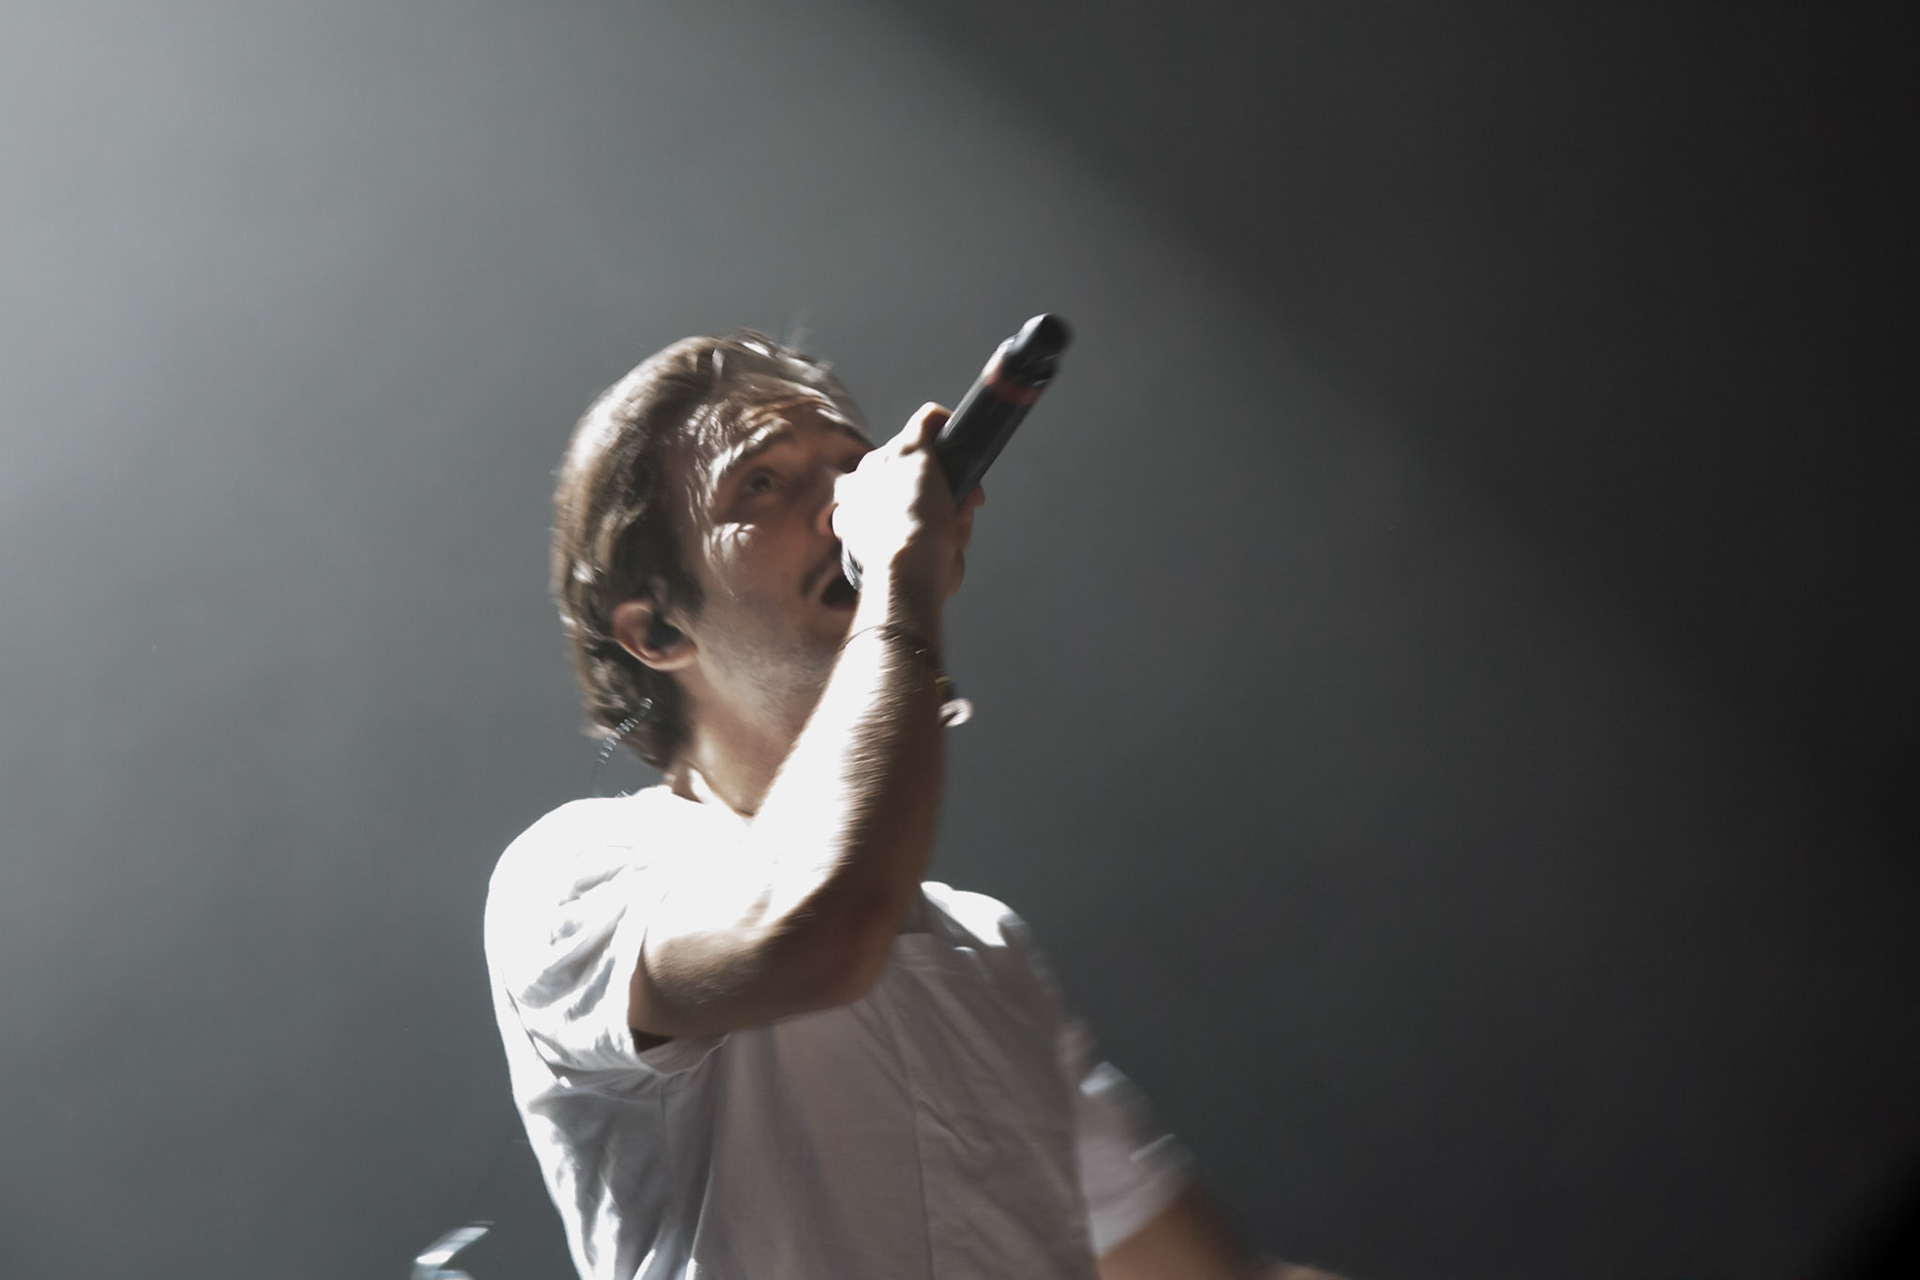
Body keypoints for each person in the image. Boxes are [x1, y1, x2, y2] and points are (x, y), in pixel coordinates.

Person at [484, 331, 1340, 1280]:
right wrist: (899, 575)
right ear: (655, 629)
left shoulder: (986, 949)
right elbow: (821, 931)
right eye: (761, 483)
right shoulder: (574, 878)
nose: (844, 504)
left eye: (854, 466)